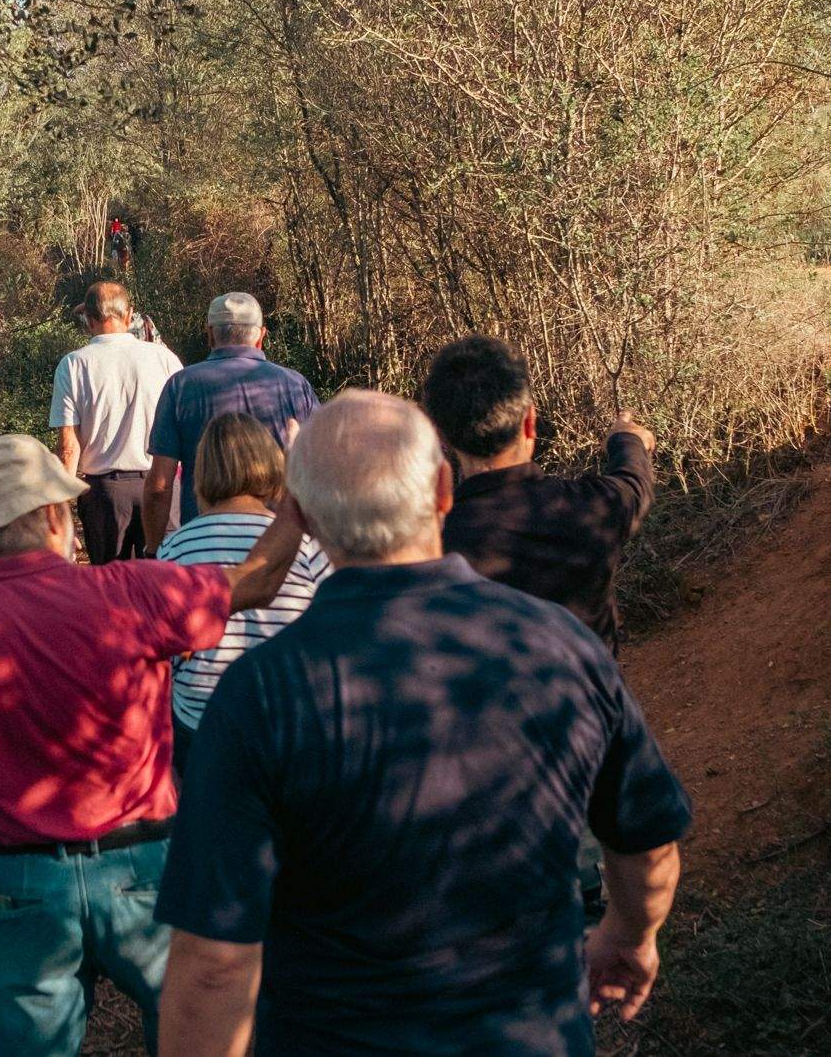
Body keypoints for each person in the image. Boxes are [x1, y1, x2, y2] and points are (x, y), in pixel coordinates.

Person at [155, 392, 692, 1056]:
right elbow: (646, 842)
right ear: (443, 489)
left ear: (302, 516)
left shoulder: (259, 695)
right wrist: (631, 934)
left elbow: (214, 962)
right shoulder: (561, 646)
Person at [0, 433, 306, 1057]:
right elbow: (258, 581)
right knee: (199, 1032)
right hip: (143, 871)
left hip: (21, 883)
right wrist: (297, 499)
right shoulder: (131, 593)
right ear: (54, 516)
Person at [420, 335, 656, 653]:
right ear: (530, 421)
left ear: (441, 437)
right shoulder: (592, 508)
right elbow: (633, 483)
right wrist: (626, 439)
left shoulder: (431, 547)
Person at [155, 413, 330, 774]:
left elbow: (166, 652)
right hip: (286, 716)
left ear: (201, 473)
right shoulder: (306, 543)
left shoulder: (174, 547)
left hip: (201, 722)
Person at [144, 292, 319, 553]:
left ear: (210, 334)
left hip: (201, 545)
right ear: (261, 336)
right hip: (279, 544)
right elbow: (318, 470)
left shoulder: (181, 386)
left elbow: (160, 484)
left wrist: (155, 549)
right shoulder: (295, 385)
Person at [52, 281, 184, 564]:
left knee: (112, 586)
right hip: (161, 485)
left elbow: (69, 448)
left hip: (105, 495)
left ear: (89, 320)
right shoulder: (165, 359)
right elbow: (182, 428)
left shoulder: (73, 365)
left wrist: (61, 515)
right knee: (165, 581)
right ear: (129, 314)